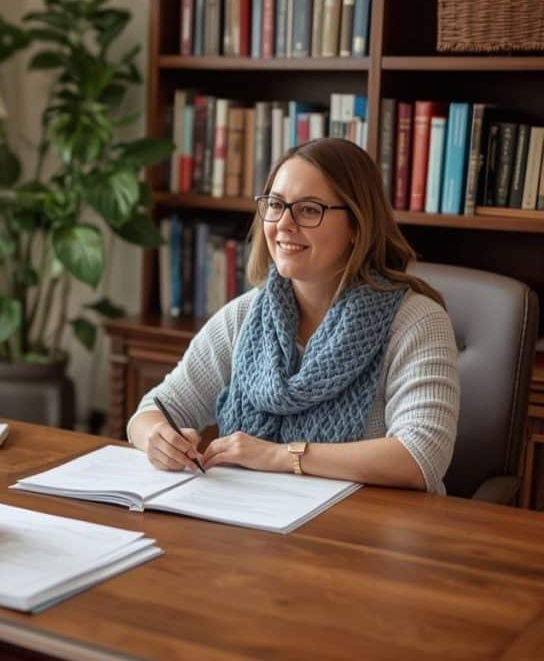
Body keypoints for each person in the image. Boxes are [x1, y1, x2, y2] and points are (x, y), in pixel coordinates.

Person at [129, 137, 459, 494]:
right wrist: (157, 438)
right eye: (275, 205)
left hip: (371, 522)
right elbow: (154, 410)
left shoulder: (416, 322)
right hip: (255, 516)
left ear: (357, 225)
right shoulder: (244, 316)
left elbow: (421, 456)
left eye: (309, 210)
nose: (284, 223)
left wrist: (280, 456)